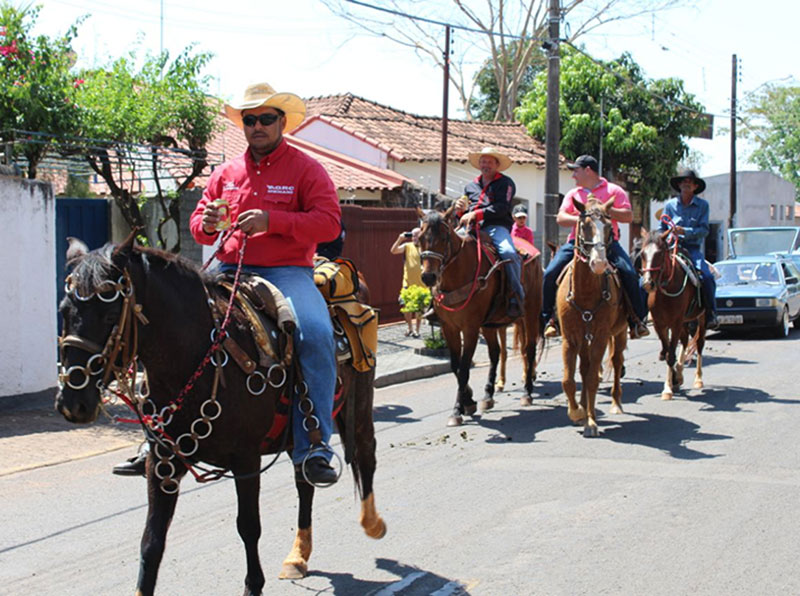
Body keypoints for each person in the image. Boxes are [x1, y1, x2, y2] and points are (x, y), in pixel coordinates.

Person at [114, 82, 342, 486]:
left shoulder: (308, 170)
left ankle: (315, 446)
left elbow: (328, 224)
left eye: (265, 119)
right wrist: (207, 223)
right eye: (249, 120)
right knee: (161, 325)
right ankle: (157, 437)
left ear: (281, 123)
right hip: (227, 267)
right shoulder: (226, 173)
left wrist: (273, 221)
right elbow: (200, 226)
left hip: (286, 271)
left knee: (317, 333)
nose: (256, 126)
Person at [541, 155, 649, 339]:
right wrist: (586, 219)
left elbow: (628, 216)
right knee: (550, 273)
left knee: (629, 273)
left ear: (588, 170)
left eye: (576, 170)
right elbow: (561, 218)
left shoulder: (614, 191)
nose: (574, 175)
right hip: (577, 243)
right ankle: (549, 320)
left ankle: (636, 320)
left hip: (608, 244)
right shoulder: (573, 194)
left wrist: (604, 212)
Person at [454, 147, 524, 318]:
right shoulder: (470, 186)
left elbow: (502, 208)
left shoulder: (506, 183)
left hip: (495, 227)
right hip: (469, 228)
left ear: (497, 165)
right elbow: (465, 211)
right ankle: (439, 298)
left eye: (490, 162)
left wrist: (476, 214)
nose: (486, 165)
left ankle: (516, 294)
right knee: (447, 248)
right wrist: (459, 211)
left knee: (508, 252)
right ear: (479, 164)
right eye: (483, 161)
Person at [661, 169, 718, 329]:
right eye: (683, 181)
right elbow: (661, 227)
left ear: (695, 186)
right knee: (648, 274)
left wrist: (685, 231)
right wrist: (664, 236)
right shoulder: (670, 205)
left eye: (690, 182)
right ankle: (642, 315)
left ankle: (711, 313)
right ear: (679, 185)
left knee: (706, 277)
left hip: (691, 249)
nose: (686, 184)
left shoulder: (702, 206)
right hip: (671, 247)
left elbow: (704, 230)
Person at [390, 227, 424, 337]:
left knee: (419, 309)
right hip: (407, 283)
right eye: (413, 236)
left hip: (421, 284)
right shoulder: (407, 246)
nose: (415, 238)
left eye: (417, 235)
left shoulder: (425, 247)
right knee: (405, 306)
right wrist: (399, 239)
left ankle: (417, 330)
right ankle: (410, 327)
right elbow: (393, 251)